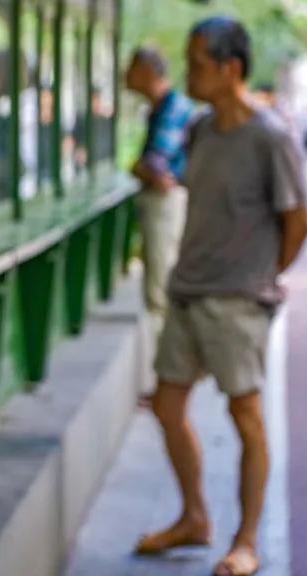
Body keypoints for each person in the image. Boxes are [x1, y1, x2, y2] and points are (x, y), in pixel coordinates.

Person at [136, 18, 307, 576]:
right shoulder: (201, 129)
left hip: (239, 300)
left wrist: (261, 277)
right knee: (167, 405)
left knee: (246, 416)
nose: (187, 74)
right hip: (187, 291)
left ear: (230, 68)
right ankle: (193, 517)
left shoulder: (272, 136)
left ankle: (247, 541)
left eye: (197, 64)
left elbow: (298, 222)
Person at [124, 46, 194, 398]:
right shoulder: (162, 108)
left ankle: (167, 382)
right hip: (165, 200)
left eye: (132, 69)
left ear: (149, 71)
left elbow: (156, 168)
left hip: (165, 203)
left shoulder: (171, 107)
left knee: (159, 293)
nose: (126, 76)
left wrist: (140, 169)